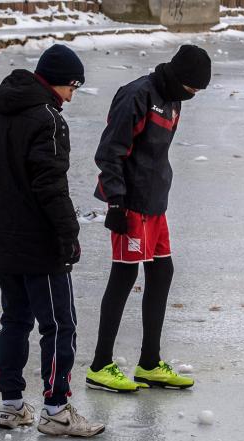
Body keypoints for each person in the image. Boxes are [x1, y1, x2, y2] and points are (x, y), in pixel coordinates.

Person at [0, 44, 105, 437]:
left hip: (3, 241)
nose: (72, 96)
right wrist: (69, 235)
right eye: (73, 87)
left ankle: (11, 406)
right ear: (60, 83)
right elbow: (50, 186)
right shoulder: (48, 120)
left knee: (15, 320)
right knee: (59, 325)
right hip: (39, 243)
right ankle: (56, 410)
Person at [86, 45, 211, 393]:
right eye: (194, 87)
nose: (195, 94)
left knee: (162, 271)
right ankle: (99, 365)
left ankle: (150, 364)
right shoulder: (137, 95)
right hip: (130, 202)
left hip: (155, 201)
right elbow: (109, 152)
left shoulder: (173, 99)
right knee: (124, 275)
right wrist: (115, 204)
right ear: (180, 78)